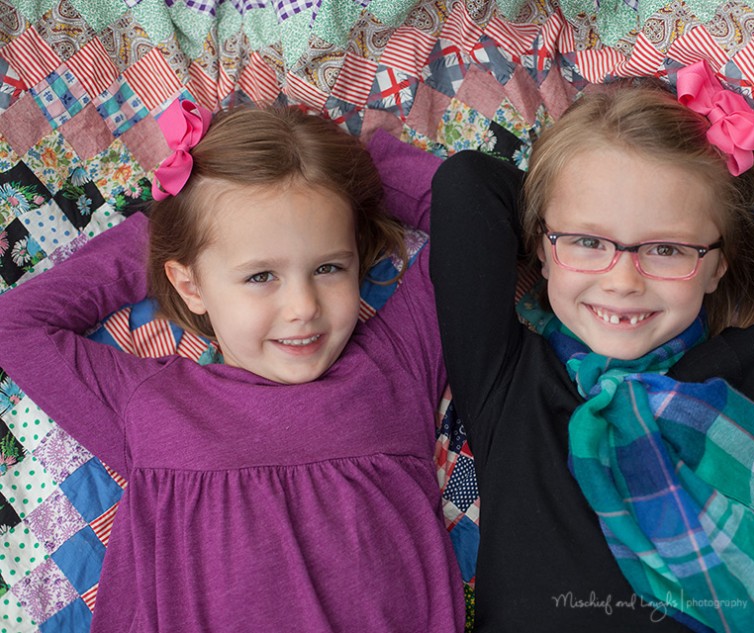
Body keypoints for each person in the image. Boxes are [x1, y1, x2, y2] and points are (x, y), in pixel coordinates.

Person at [429, 62, 754, 633]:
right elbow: (466, 183)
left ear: (718, 264)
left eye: (665, 250)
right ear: (542, 248)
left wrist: (715, 232)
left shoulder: (736, 382)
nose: (623, 282)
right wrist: (602, 194)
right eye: (588, 241)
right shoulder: (506, 378)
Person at [0, 100, 464, 632]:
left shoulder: (395, 367)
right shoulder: (154, 406)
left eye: (329, 267)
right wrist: (179, 230)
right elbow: (16, 327)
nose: (303, 307)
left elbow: (480, 214)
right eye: (261, 276)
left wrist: (360, 166)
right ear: (189, 285)